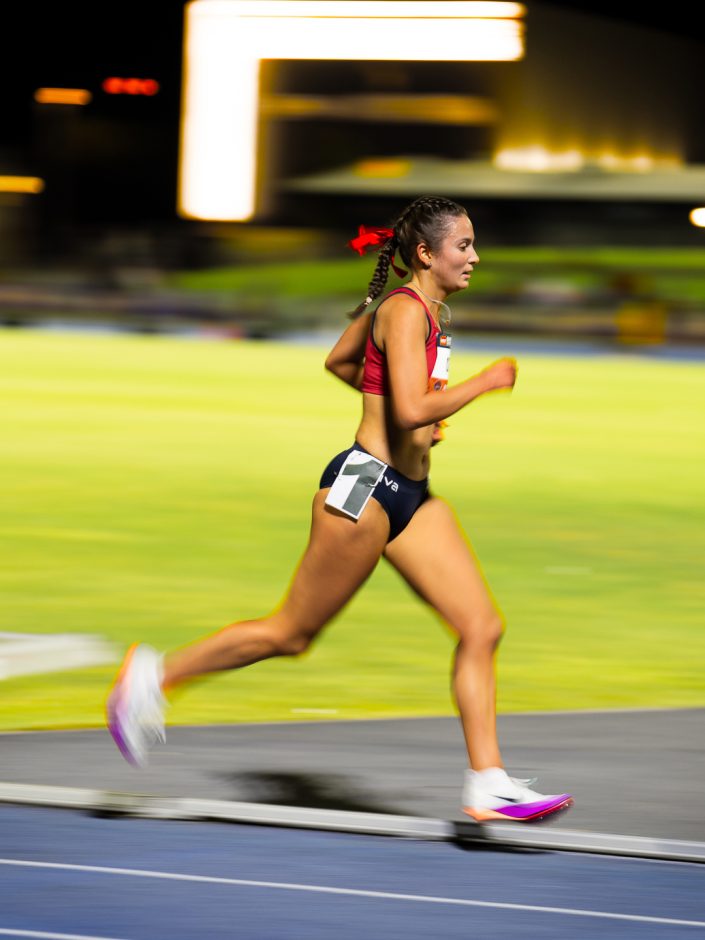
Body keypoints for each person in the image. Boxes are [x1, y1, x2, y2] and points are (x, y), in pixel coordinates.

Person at [107, 195, 573, 823]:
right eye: (464, 245)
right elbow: (410, 408)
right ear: (426, 253)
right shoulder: (403, 311)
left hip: (410, 494)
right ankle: (152, 678)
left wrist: (405, 409)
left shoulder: (424, 310)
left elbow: (342, 363)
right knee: (290, 633)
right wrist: (481, 385)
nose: (475, 256)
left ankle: (488, 782)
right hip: (364, 488)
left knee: (481, 627)